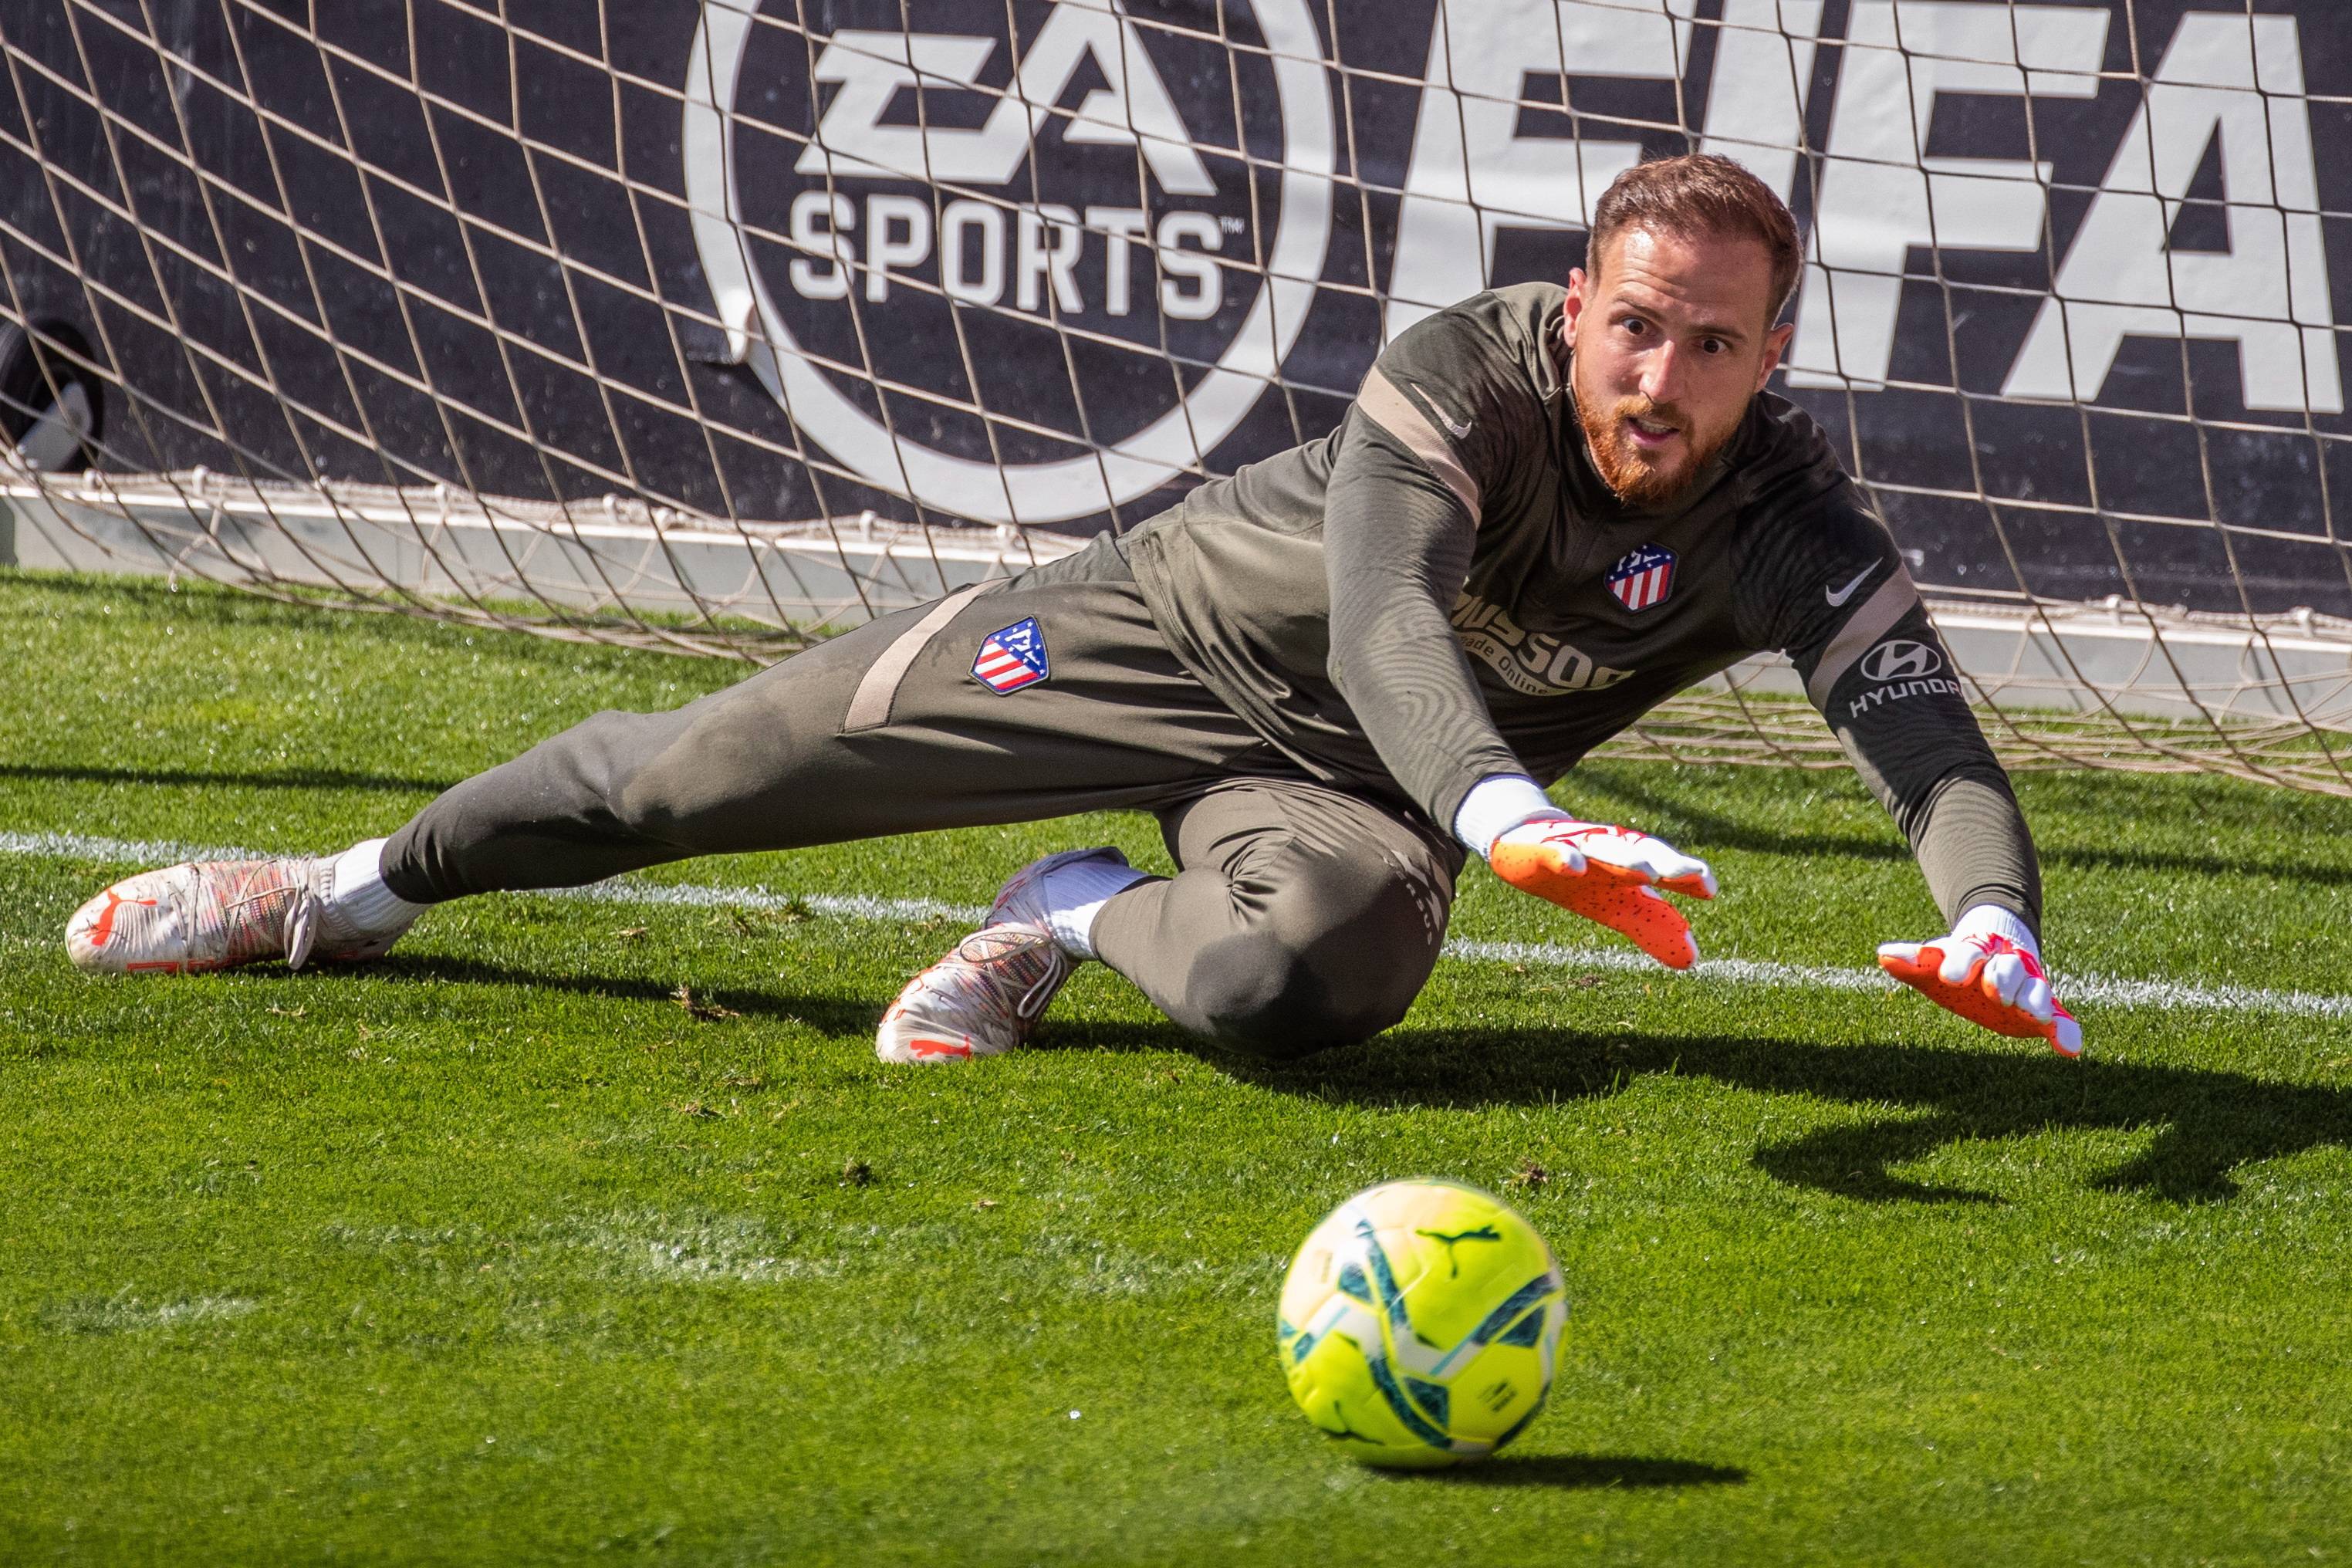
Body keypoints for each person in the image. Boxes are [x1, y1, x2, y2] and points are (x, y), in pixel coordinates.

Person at [63, 154, 2080, 1061]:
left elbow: (1924, 733)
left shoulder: (1786, 513)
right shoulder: (1459, 378)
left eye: (1710, 346)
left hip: (1352, 794)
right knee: (691, 782)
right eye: (1633, 327)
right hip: (1153, 640)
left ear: (1772, 354)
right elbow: (1387, 619)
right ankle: (338, 894)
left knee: (1315, 988)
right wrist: (1516, 816)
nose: (1660, 378)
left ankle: (1063, 913)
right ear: (1576, 312)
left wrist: (1994, 919)